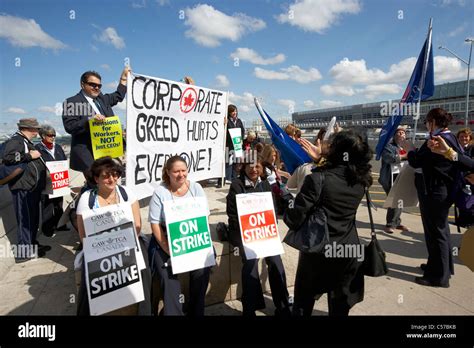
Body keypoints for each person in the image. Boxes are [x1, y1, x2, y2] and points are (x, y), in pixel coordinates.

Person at [284, 130, 372, 316]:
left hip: (319, 252)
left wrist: (286, 201)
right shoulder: (361, 180)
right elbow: (340, 172)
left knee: (303, 302)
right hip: (349, 250)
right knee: (340, 305)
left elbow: (293, 219)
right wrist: (321, 161)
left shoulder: (317, 178)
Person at [75, 156, 152, 315]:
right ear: (96, 178)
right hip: (98, 248)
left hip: (129, 243)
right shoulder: (87, 199)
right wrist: (105, 247)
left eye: (115, 174)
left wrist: (119, 244)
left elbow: (137, 226)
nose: (111, 179)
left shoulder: (127, 193)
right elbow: (83, 235)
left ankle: (146, 311)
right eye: (106, 176)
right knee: (88, 278)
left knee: (143, 268)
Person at [402, 108, 463, 288]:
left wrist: (410, 149)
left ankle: (438, 276)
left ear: (433, 122)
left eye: (427, 122)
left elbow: (417, 161)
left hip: (434, 192)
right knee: (439, 232)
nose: (426, 125)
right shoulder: (449, 137)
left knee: (436, 233)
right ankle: (439, 267)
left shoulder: (438, 140)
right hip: (439, 191)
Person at [226, 156, 291, 316]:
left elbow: (273, 210)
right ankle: (249, 308)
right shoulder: (237, 185)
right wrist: (249, 229)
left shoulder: (265, 185)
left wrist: (268, 229)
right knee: (251, 262)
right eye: (250, 166)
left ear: (262, 168)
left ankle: (282, 305)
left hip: (264, 233)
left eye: (257, 166)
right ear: (244, 167)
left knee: (276, 260)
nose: (254, 169)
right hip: (243, 234)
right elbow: (232, 215)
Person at [148, 155, 212, 316]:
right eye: (176, 171)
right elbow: (155, 223)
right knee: (167, 276)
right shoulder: (160, 192)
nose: (180, 174)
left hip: (192, 238)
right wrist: (168, 249)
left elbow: (204, 216)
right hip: (166, 240)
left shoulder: (196, 188)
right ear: (168, 172)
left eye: (183, 170)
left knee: (202, 270)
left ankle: (196, 311)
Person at [62, 67, 130, 175]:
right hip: (88, 155)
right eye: (92, 84)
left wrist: (123, 79)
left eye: (99, 85)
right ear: (82, 84)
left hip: (108, 152)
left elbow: (118, 96)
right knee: (95, 184)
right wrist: (89, 120)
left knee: (110, 182)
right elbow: (69, 126)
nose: (96, 88)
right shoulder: (72, 102)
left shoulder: (101, 99)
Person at [2, 118, 49, 262]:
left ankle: (32, 245)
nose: (37, 133)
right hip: (23, 188)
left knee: (32, 219)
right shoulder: (16, 140)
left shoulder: (25, 141)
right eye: (36, 130)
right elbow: (9, 157)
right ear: (30, 129)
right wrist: (29, 155)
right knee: (25, 220)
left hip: (31, 188)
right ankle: (22, 254)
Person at [35, 125, 69, 236]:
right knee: (47, 207)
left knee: (59, 204)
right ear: (43, 136)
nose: (53, 137)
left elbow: (64, 161)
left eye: (54, 135)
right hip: (46, 183)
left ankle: (60, 225)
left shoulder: (58, 147)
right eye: (50, 135)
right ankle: (47, 230)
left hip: (59, 181)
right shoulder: (37, 149)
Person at [378, 127, 410, 234]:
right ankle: (390, 224)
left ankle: (397, 222)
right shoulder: (388, 146)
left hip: (401, 177)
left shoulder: (406, 147)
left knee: (400, 201)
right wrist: (405, 156)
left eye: (403, 133)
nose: (401, 134)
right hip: (389, 178)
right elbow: (389, 158)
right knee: (394, 200)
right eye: (399, 132)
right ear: (394, 136)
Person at [261, 144, 291, 215]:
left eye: (274, 155)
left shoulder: (271, 165)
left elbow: (276, 171)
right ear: (266, 155)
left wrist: (286, 174)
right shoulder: (263, 167)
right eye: (271, 155)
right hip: (270, 191)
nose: (273, 158)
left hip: (277, 190)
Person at [220, 104, 245, 186]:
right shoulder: (227, 120)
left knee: (236, 162)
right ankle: (226, 178)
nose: (234, 112)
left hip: (237, 144)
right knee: (227, 161)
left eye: (235, 111)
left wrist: (241, 139)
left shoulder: (239, 121)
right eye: (232, 111)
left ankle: (234, 178)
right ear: (229, 112)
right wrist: (224, 124)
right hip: (229, 144)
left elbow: (242, 131)